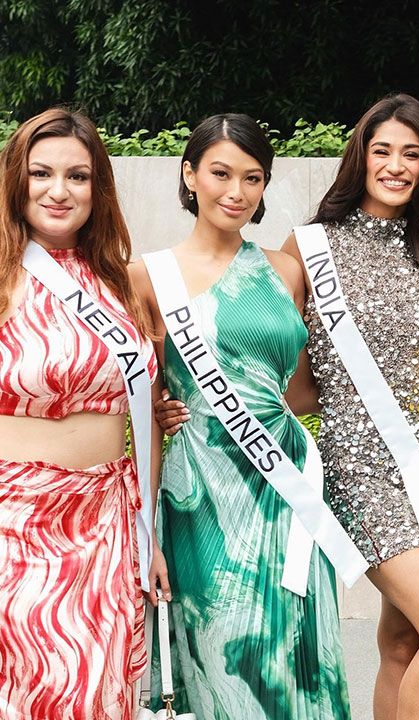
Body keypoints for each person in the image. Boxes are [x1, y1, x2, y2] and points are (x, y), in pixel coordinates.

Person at [157, 96, 419, 720]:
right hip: (364, 472)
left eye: (413, 154)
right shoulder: (309, 250)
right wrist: (178, 400)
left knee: (403, 641)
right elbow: (280, 367)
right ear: (360, 156)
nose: (398, 166)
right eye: (382, 151)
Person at [130, 113, 354, 719]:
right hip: (201, 491)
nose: (236, 191)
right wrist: (161, 416)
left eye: (252, 178)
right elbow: (139, 401)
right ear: (190, 175)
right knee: (224, 653)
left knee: (297, 653)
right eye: (221, 173)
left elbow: (304, 389)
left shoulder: (284, 272)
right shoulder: (147, 277)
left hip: (284, 482)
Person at [0, 108, 163, 720]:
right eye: (42, 173)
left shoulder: (119, 281)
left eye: (78, 176)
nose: (59, 191)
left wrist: (149, 531)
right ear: (18, 180)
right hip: (14, 523)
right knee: (26, 690)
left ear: (99, 189)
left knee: (98, 689)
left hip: (107, 523)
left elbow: (145, 406)